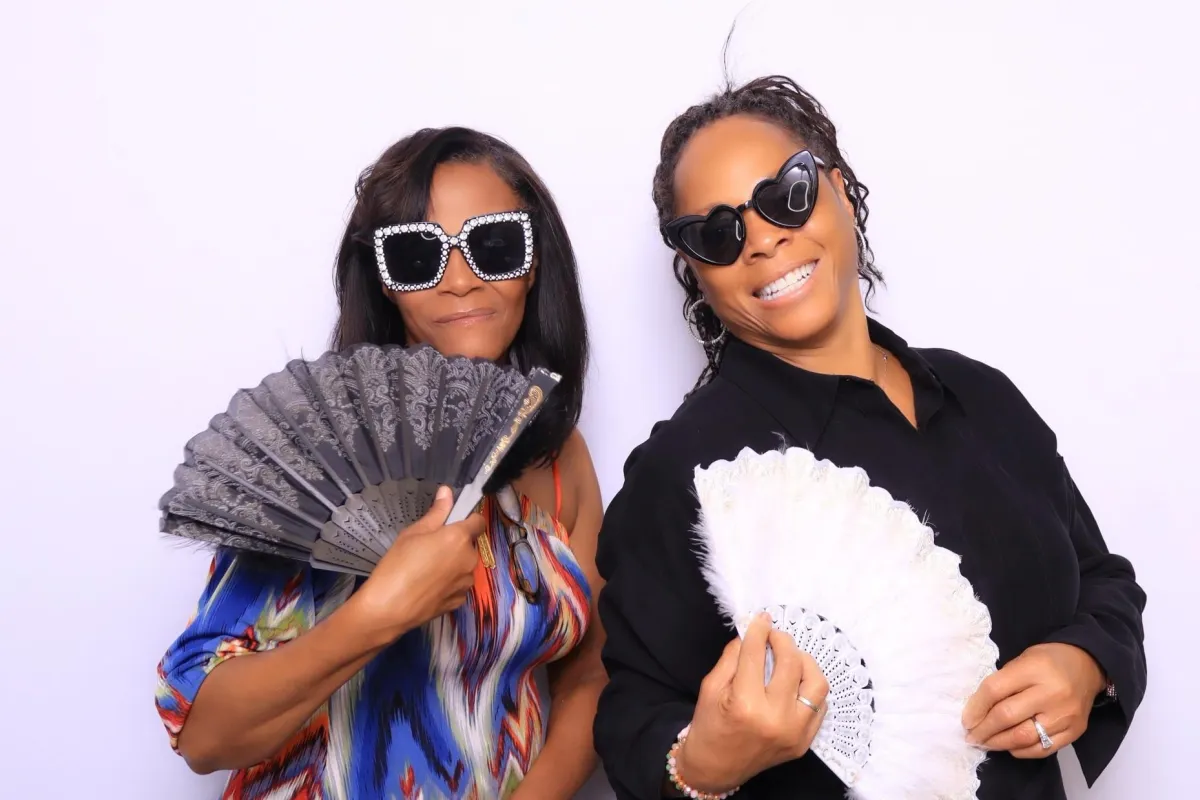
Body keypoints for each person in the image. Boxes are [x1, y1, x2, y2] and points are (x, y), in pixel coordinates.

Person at [592, 75, 1146, 800]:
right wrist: (700, 763)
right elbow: (632, 717)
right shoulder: (688, 473)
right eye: (717, 233)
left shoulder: (982, 396)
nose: (762, 240)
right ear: (695, 269)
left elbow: (1102, 579)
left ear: (841, 189)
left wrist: (1089, 661)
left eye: (785, 194)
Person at [155, 126, 608, 800]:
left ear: (534, 261)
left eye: (493, 244)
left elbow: (589, 678)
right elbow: (204, 737)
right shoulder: (314, 462)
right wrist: (379, 614)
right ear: (385, 282)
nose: (460, 280)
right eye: (418, 255)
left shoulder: (559, 456)